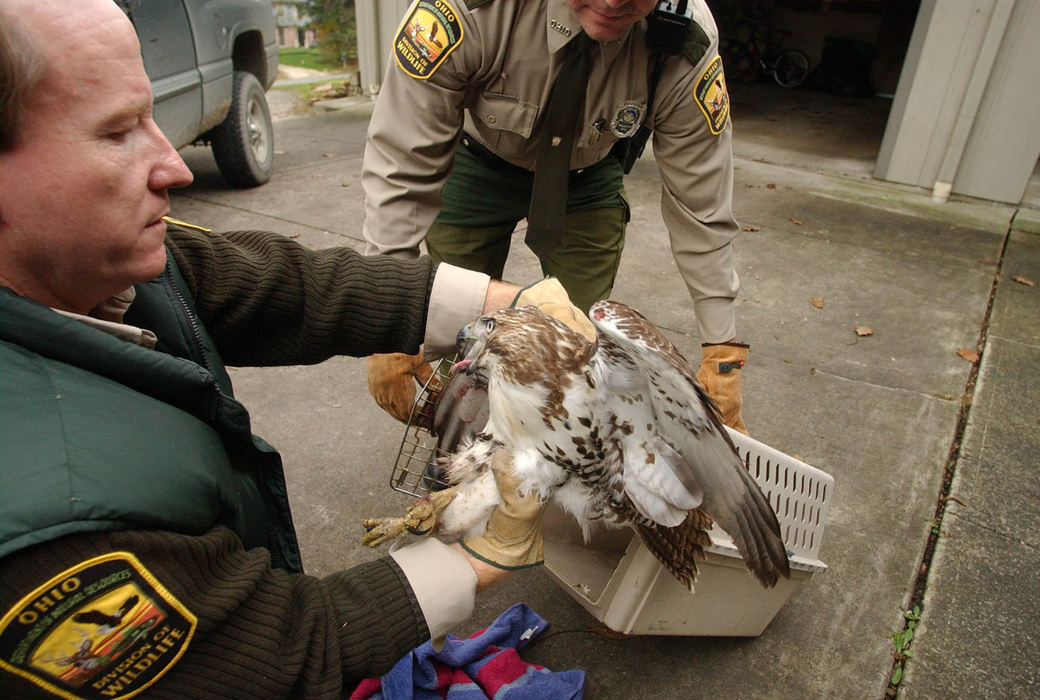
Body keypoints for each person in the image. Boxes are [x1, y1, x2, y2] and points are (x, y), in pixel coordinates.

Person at [0, 1, 589, 696]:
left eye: (152, 117)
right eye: (119, 131)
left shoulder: (92, 266)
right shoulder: (57, 535)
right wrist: (477, 554)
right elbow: (278, 657)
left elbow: (289, 287)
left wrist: (508, 304)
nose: (173, 165)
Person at [362, 0, 750, 434]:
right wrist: (388, 321)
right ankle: (462, 440)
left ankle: (549, 447)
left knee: (577, 344)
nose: (614, 1)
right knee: (459, 327)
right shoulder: (467, 10)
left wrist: (723, 354)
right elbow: (401, 165)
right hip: (476, 164)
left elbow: (702, 207)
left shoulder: (684, 41)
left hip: (587, 174)